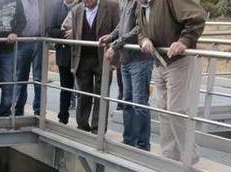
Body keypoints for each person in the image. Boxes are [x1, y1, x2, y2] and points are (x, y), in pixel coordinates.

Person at [137, 0, 206, 162]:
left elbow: (197, 17)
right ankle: (169, 155)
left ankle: (190, 155)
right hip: (160, 61)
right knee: (163, 109)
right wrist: (144, 40)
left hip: (178, 61)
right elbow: (140, 30)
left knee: (176, 109)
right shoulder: (141, 6)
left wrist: (184, 41)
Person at [100, 0, 152, 150]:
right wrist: (111, 36)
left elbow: (140, 28)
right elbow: (121, 26)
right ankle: (129, 140)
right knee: (127, 101)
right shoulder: (126, 3)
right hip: (126, 59)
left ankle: (142, 145)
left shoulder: (140, 3)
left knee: (139, 102)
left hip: (139, 60)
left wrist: (116, 44)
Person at [65, 0, 119, 132]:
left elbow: (118, 31)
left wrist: (115, 61)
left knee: (102, 95)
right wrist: (73, 64)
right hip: (82, 59)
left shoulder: (112, 6)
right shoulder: (76, 10)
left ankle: (98, 129)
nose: (85, 2)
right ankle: (82, 125)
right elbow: (75, 40)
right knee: (83, 94)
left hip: (103, 59)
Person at [13, 0, 46, 116]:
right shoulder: (18, 1)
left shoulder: (43, 3)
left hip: (39, 41)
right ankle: (18, 109)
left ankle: (39, 109)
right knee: (20, 77)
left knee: (39, 77)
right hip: (22, 41)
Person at [48, 0, 77, 124]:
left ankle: (83, 122)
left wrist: (75, 32)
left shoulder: (82, 5)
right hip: (64, 53)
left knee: (84, 89)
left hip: (81, 53)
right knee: (65, 87)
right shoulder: (56, 7)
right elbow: (50, 29)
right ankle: (63, 117)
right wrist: (65, 34)